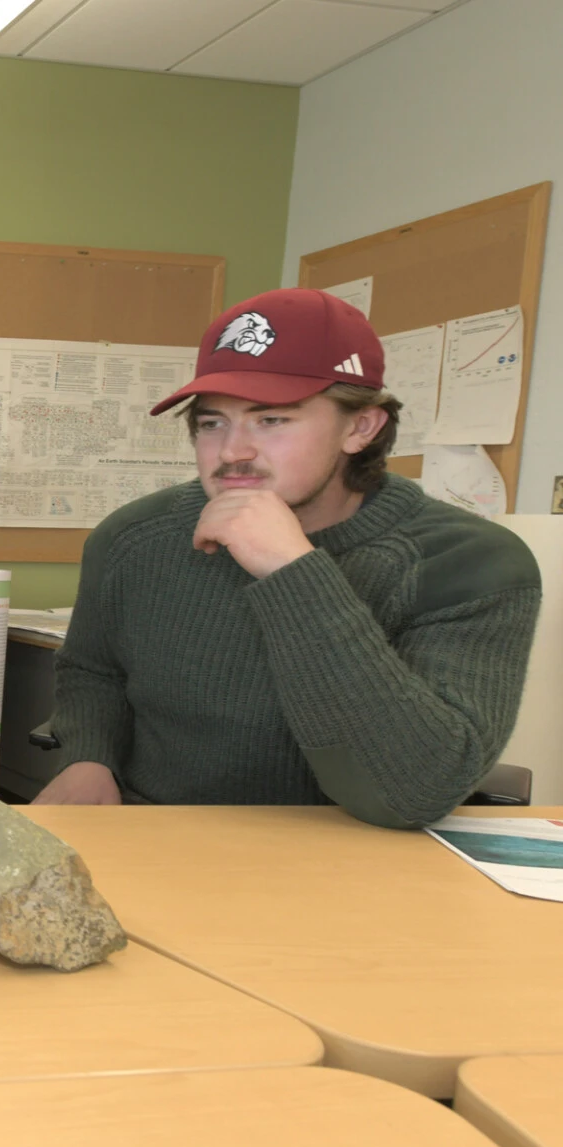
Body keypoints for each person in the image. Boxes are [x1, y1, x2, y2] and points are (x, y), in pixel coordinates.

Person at [36, 287, 539, 827]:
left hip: (360, 865)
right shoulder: (135, 536)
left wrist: (293, 572)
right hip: (159, 839)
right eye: (212, 423)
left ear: (360, 426)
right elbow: (95, 669)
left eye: (271, 420)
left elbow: (411, 793)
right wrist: (90, 755)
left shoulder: (470, 562)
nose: (232, 451)